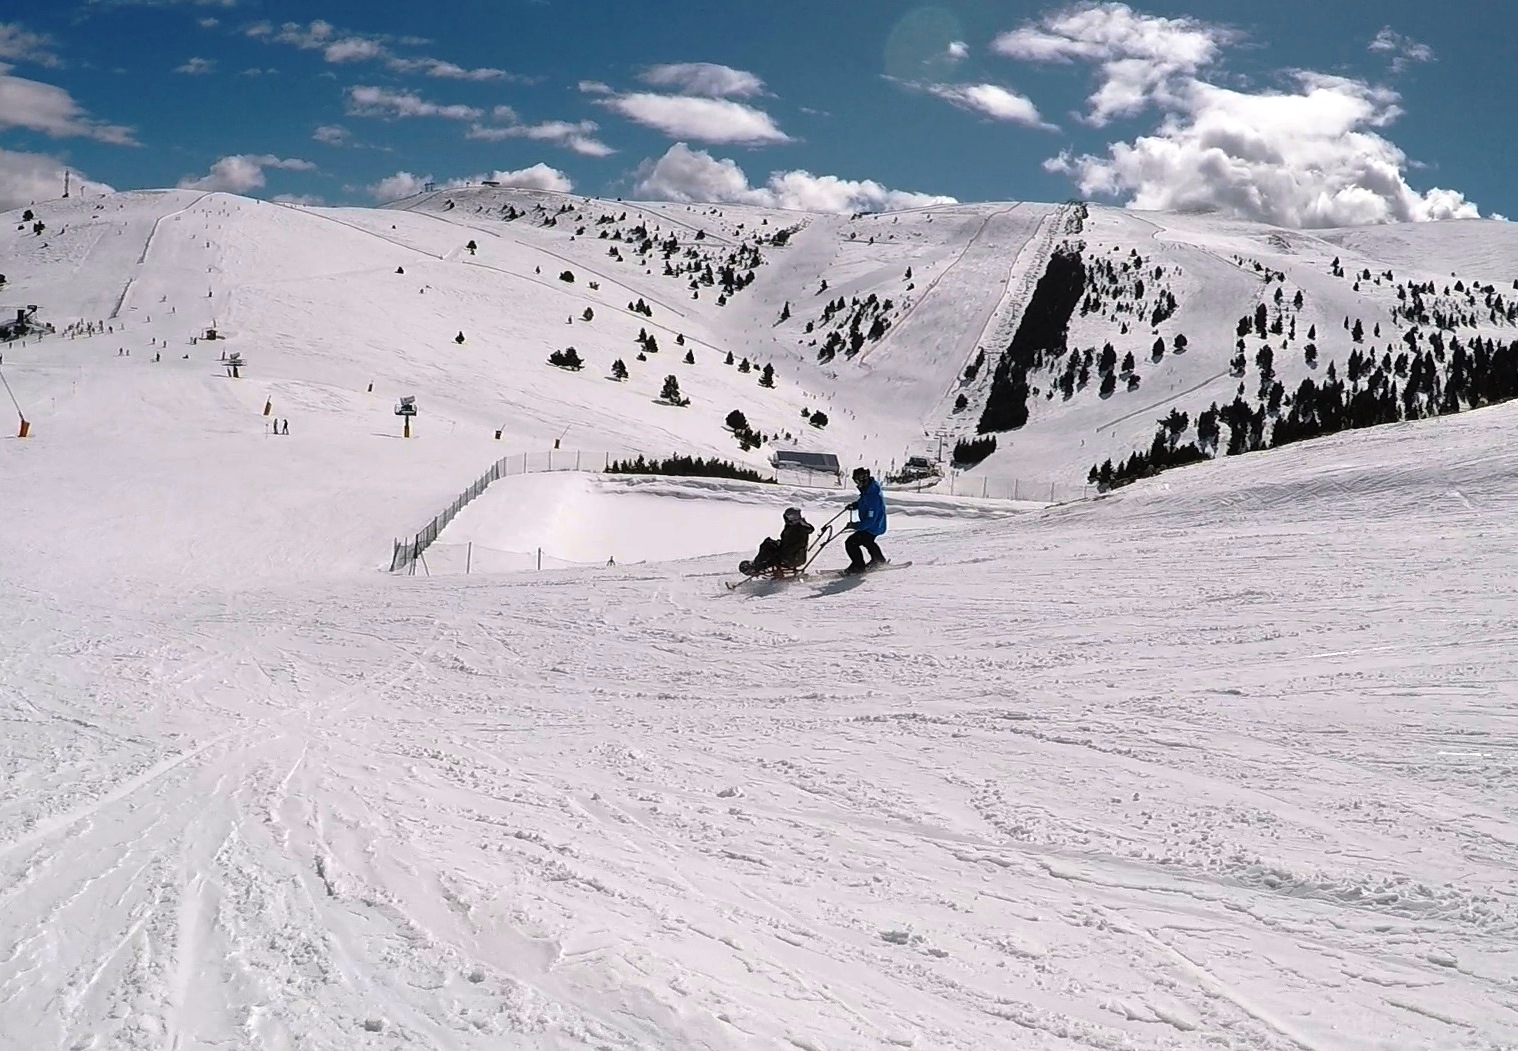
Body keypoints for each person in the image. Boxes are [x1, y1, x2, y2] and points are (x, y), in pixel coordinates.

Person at [740, 507, 814, 576]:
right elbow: (788, 544)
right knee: (768, 543)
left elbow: (788, 551)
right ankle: (756, 563)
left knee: (767, 547)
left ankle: (756, 567)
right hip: (795, 556)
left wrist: (767, 564)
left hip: (791, 559)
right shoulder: (797, 527)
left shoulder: (795, 532)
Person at [843, 467, 887, 574]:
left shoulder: (872, 495)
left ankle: (858, 566)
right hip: (876, 525)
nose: (857, 484)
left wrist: (855, 525)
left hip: (873, 526)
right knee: (867, 541)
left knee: (851, 542)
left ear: (864, 479)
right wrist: (856, 505)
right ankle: (879, 560)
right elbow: (864, 501)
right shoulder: (869, 489)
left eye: (857, 481)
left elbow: (870, 519)